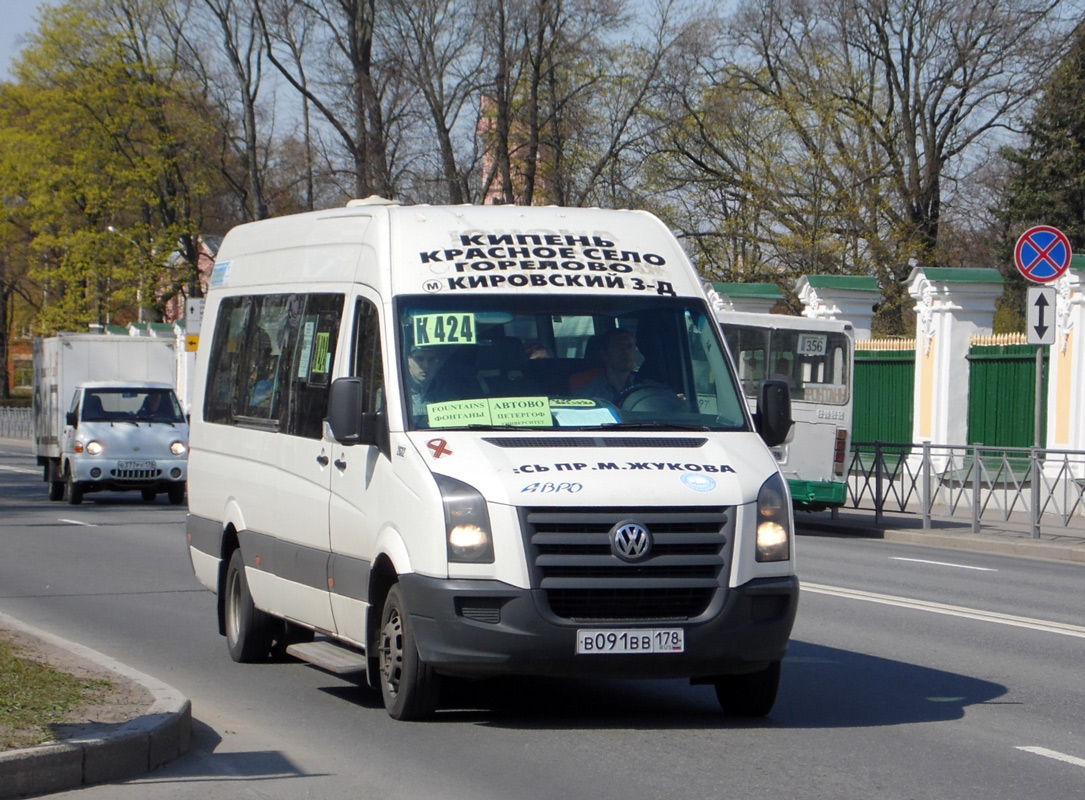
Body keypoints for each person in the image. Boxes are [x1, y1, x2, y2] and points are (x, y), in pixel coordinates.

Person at [574, 327, 641, 404]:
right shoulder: (588, 393)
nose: (626, 351)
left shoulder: (645, 388)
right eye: (619, 346)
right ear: (604, 354)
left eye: (629, 346)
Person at [406, 346, 444, 412]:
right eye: (419, 359)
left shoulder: (446, 395)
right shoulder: (394, 394)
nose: (426, 365)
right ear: (408, 360)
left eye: (431, 359)